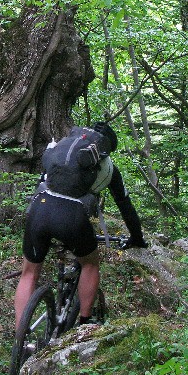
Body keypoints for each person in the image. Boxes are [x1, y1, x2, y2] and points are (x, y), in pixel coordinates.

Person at [14, 121, 148, 330]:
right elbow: (126, 207)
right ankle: (85, 324)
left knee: (29, 273)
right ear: (106, 149)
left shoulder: (62, 148)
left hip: (40, 208)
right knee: (90, 263)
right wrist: (136, 238)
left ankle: (20, 337)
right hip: (72, 217)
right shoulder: (108, 167)